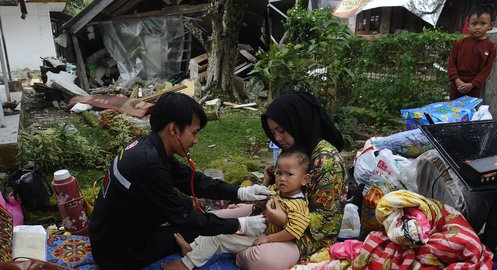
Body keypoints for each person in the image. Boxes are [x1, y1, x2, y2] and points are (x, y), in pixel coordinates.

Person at [89, 92, 275, 269]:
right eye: (193, 133)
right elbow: (185, 219)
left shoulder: (149, 148)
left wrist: (240, 192)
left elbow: (194, 181)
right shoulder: (149, 164)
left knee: (186, 207)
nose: (196, 140)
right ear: (173, 129)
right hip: (118, 255)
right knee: (192, 225)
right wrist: (240, 224)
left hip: (109, 235)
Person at [232, 91, 348, 269]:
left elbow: (327, 222)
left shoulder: (326, 161)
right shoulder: (293, 148)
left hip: (305, 234)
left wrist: (285, 219)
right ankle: (237, 242)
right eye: (273, 132)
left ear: (298, 122)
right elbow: (278, 191)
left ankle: (237, 246)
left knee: (260, 259)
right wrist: (266, 188)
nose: (277, 138)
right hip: (274, 214)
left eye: (282, 131)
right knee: (219, 217)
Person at [163, 149, 311, 270]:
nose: (282, 178)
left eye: (289, 174)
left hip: (263, 234)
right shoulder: (278, 190)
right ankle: (192, 248)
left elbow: (293, 232)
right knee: (214, 224)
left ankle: (186, 264)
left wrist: (267, 239)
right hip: (254, 225)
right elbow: (262, 195)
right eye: (279, 173)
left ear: (304, 179)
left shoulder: (299, 205)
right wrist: (266, 181)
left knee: (218, 236)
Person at [448, 6, 497, 100]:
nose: (477, 27)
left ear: (491, 25)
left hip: (474, 87)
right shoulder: (460, 43)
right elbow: (451, 62)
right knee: (452, 109)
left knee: (470, 110)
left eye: (483, 24)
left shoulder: (491, 47)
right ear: (468, 25)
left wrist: (472, 84)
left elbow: (487, 69)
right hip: (457, 84)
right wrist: (457, 80)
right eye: (474, 24)